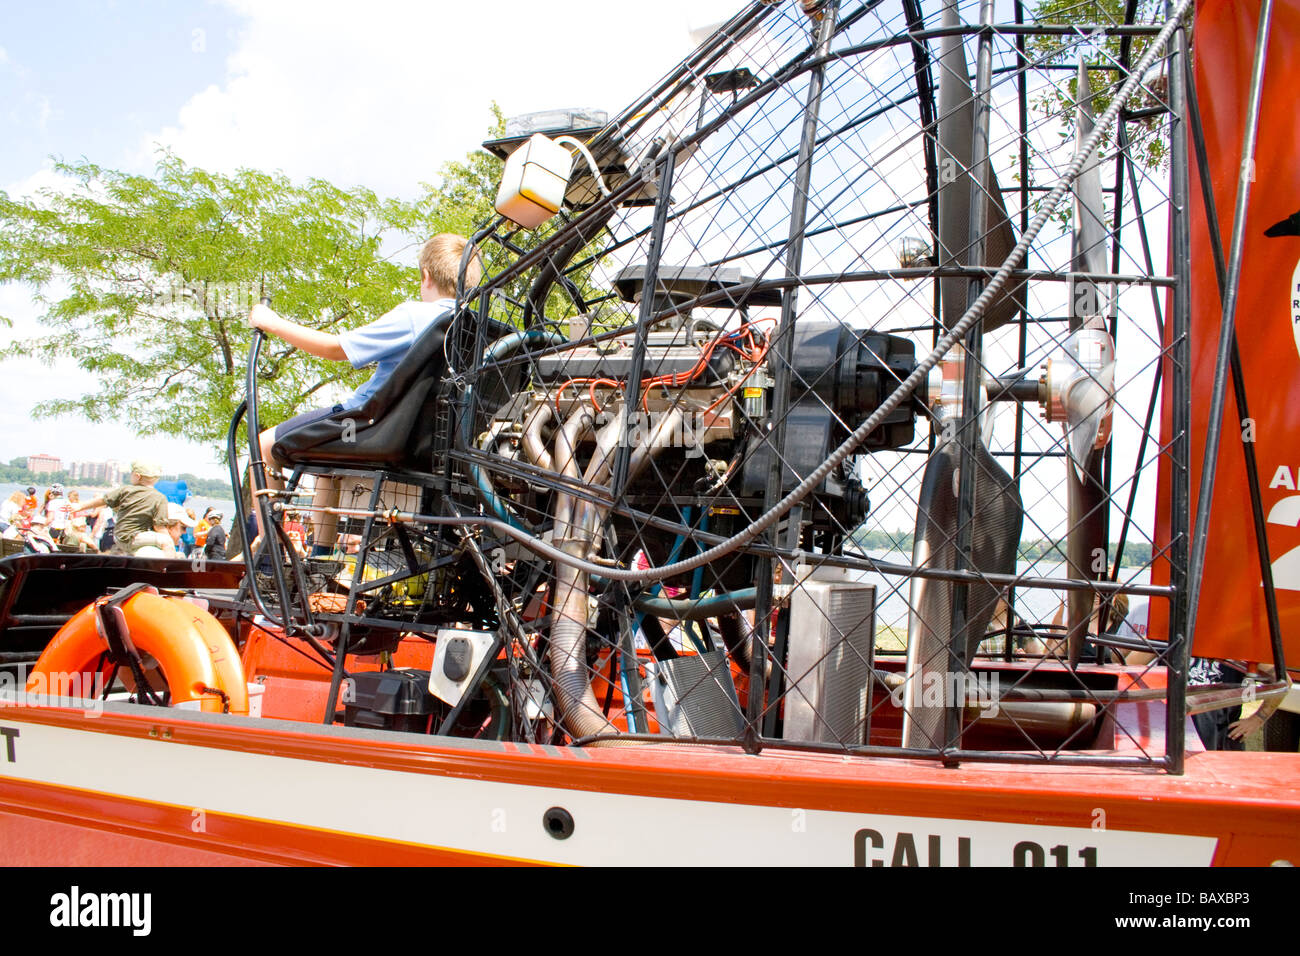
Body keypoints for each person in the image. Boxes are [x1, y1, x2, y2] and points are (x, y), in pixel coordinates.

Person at [248, 234, 481, 552]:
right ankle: (320, 557)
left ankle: (269, 555)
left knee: (262, 445)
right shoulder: (478, 329)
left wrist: (273, 323)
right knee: (326, 465)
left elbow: (335, 349)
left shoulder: (418, 317)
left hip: (370, 427)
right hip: (432, 444)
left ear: (425, 275)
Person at [73, 460, 169, 555]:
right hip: (134, 538)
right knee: (167, 542)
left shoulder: (125, 490)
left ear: (137, 476)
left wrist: (80, 506)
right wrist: (168, 541)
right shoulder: (159, 498)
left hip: (120, 536)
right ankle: (171, 566)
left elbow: (103, 500)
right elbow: (159, 526)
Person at [132, 503, 198, 557]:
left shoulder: (151, 550)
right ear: (168, 527)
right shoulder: (153, 554)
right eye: (183, 528)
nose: (185, 532)